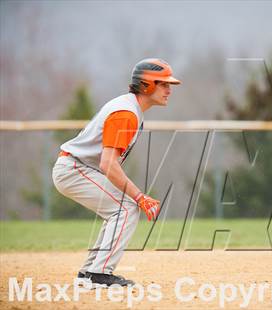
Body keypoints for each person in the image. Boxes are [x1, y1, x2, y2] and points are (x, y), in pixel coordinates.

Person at [52, 58, 181, 285]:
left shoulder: (130, 108)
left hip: (76, 168)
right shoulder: (126, 113)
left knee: (119, 210)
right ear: (146, 85)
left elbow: (107, 164)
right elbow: (108, 165)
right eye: (164, 84)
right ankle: (99, 274)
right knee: (127, 208)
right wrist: (140, 196)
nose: (169, 90)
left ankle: (89, 273)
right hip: (74, 169)